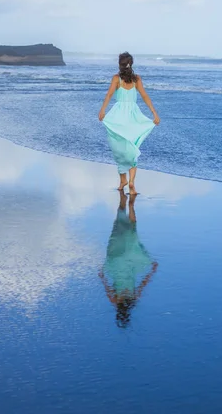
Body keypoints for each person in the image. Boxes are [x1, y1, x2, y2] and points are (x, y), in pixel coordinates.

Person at [98, 52, 160, 194]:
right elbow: (145, 96)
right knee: (132, 147)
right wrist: (154, 113)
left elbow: (109, 95)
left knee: (119, 147)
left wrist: (102, 110)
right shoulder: (136, 79)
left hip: (118, 116)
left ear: (120, 64)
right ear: (131, 64)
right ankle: (131, 182)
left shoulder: (116, 79)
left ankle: (122, 180)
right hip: (133, 117)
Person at [99, 192, 158, 328]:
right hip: (118, 261)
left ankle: (130, 204)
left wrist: (152, 270)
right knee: (119, 231)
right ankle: (123, 204)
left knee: (132, 232)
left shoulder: (133, 299)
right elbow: (106, 285)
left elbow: (144, 283)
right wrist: (101, 275)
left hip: (129, 260)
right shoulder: (115, 300)